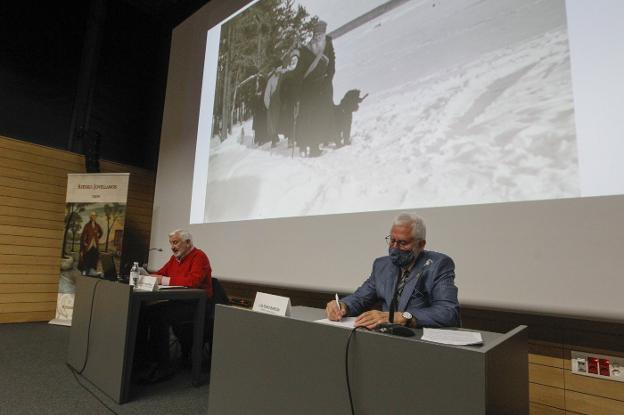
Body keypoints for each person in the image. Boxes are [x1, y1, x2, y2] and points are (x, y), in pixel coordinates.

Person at [325, 213, 460, 329]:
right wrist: (343, 306)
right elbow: (361, 297)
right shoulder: (382, 265)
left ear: (421, 244)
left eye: (402, 243)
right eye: (392, 241)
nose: (394, 248)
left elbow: (448, 312)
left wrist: (403, 317)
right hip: (387, 338)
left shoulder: (438, 265)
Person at [135, 229, 212, 383]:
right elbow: (159, 274)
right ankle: (142, 361)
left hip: (197, 306)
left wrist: (162, 280)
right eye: (171, 243)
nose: (172, 246)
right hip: (179, 302)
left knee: (158, 316)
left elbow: (192, 282)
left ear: (188, 242)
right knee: (143, 311)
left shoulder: (199, 256)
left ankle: (163, 367)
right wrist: (146, 276)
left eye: (176, 242)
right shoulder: (174, 259)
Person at [296, 19, 335, 156]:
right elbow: (303, 70)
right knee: (312, 116)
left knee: (326, 111)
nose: (318, 34)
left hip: (324, 85)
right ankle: (311, 145)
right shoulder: (307, 48)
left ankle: (326, 138)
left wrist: (327, 81)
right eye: (316, 32)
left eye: (320, 32)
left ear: (324, 32)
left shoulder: (328, 44)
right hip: (311, 88)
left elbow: (332, 67)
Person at [78, 211, 103, 275]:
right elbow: (83, 235)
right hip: (88, 245)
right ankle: (85, 271)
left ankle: (93, 272)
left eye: (94, 216)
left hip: (95, 246)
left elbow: (101, 232)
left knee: (94, 258)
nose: (93, 217)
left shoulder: (97, 226)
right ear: (90, 217)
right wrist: (84, 242)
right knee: (86, 258)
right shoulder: (87, 225)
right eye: (92, 216)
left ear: (96, 217)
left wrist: (97, 237)